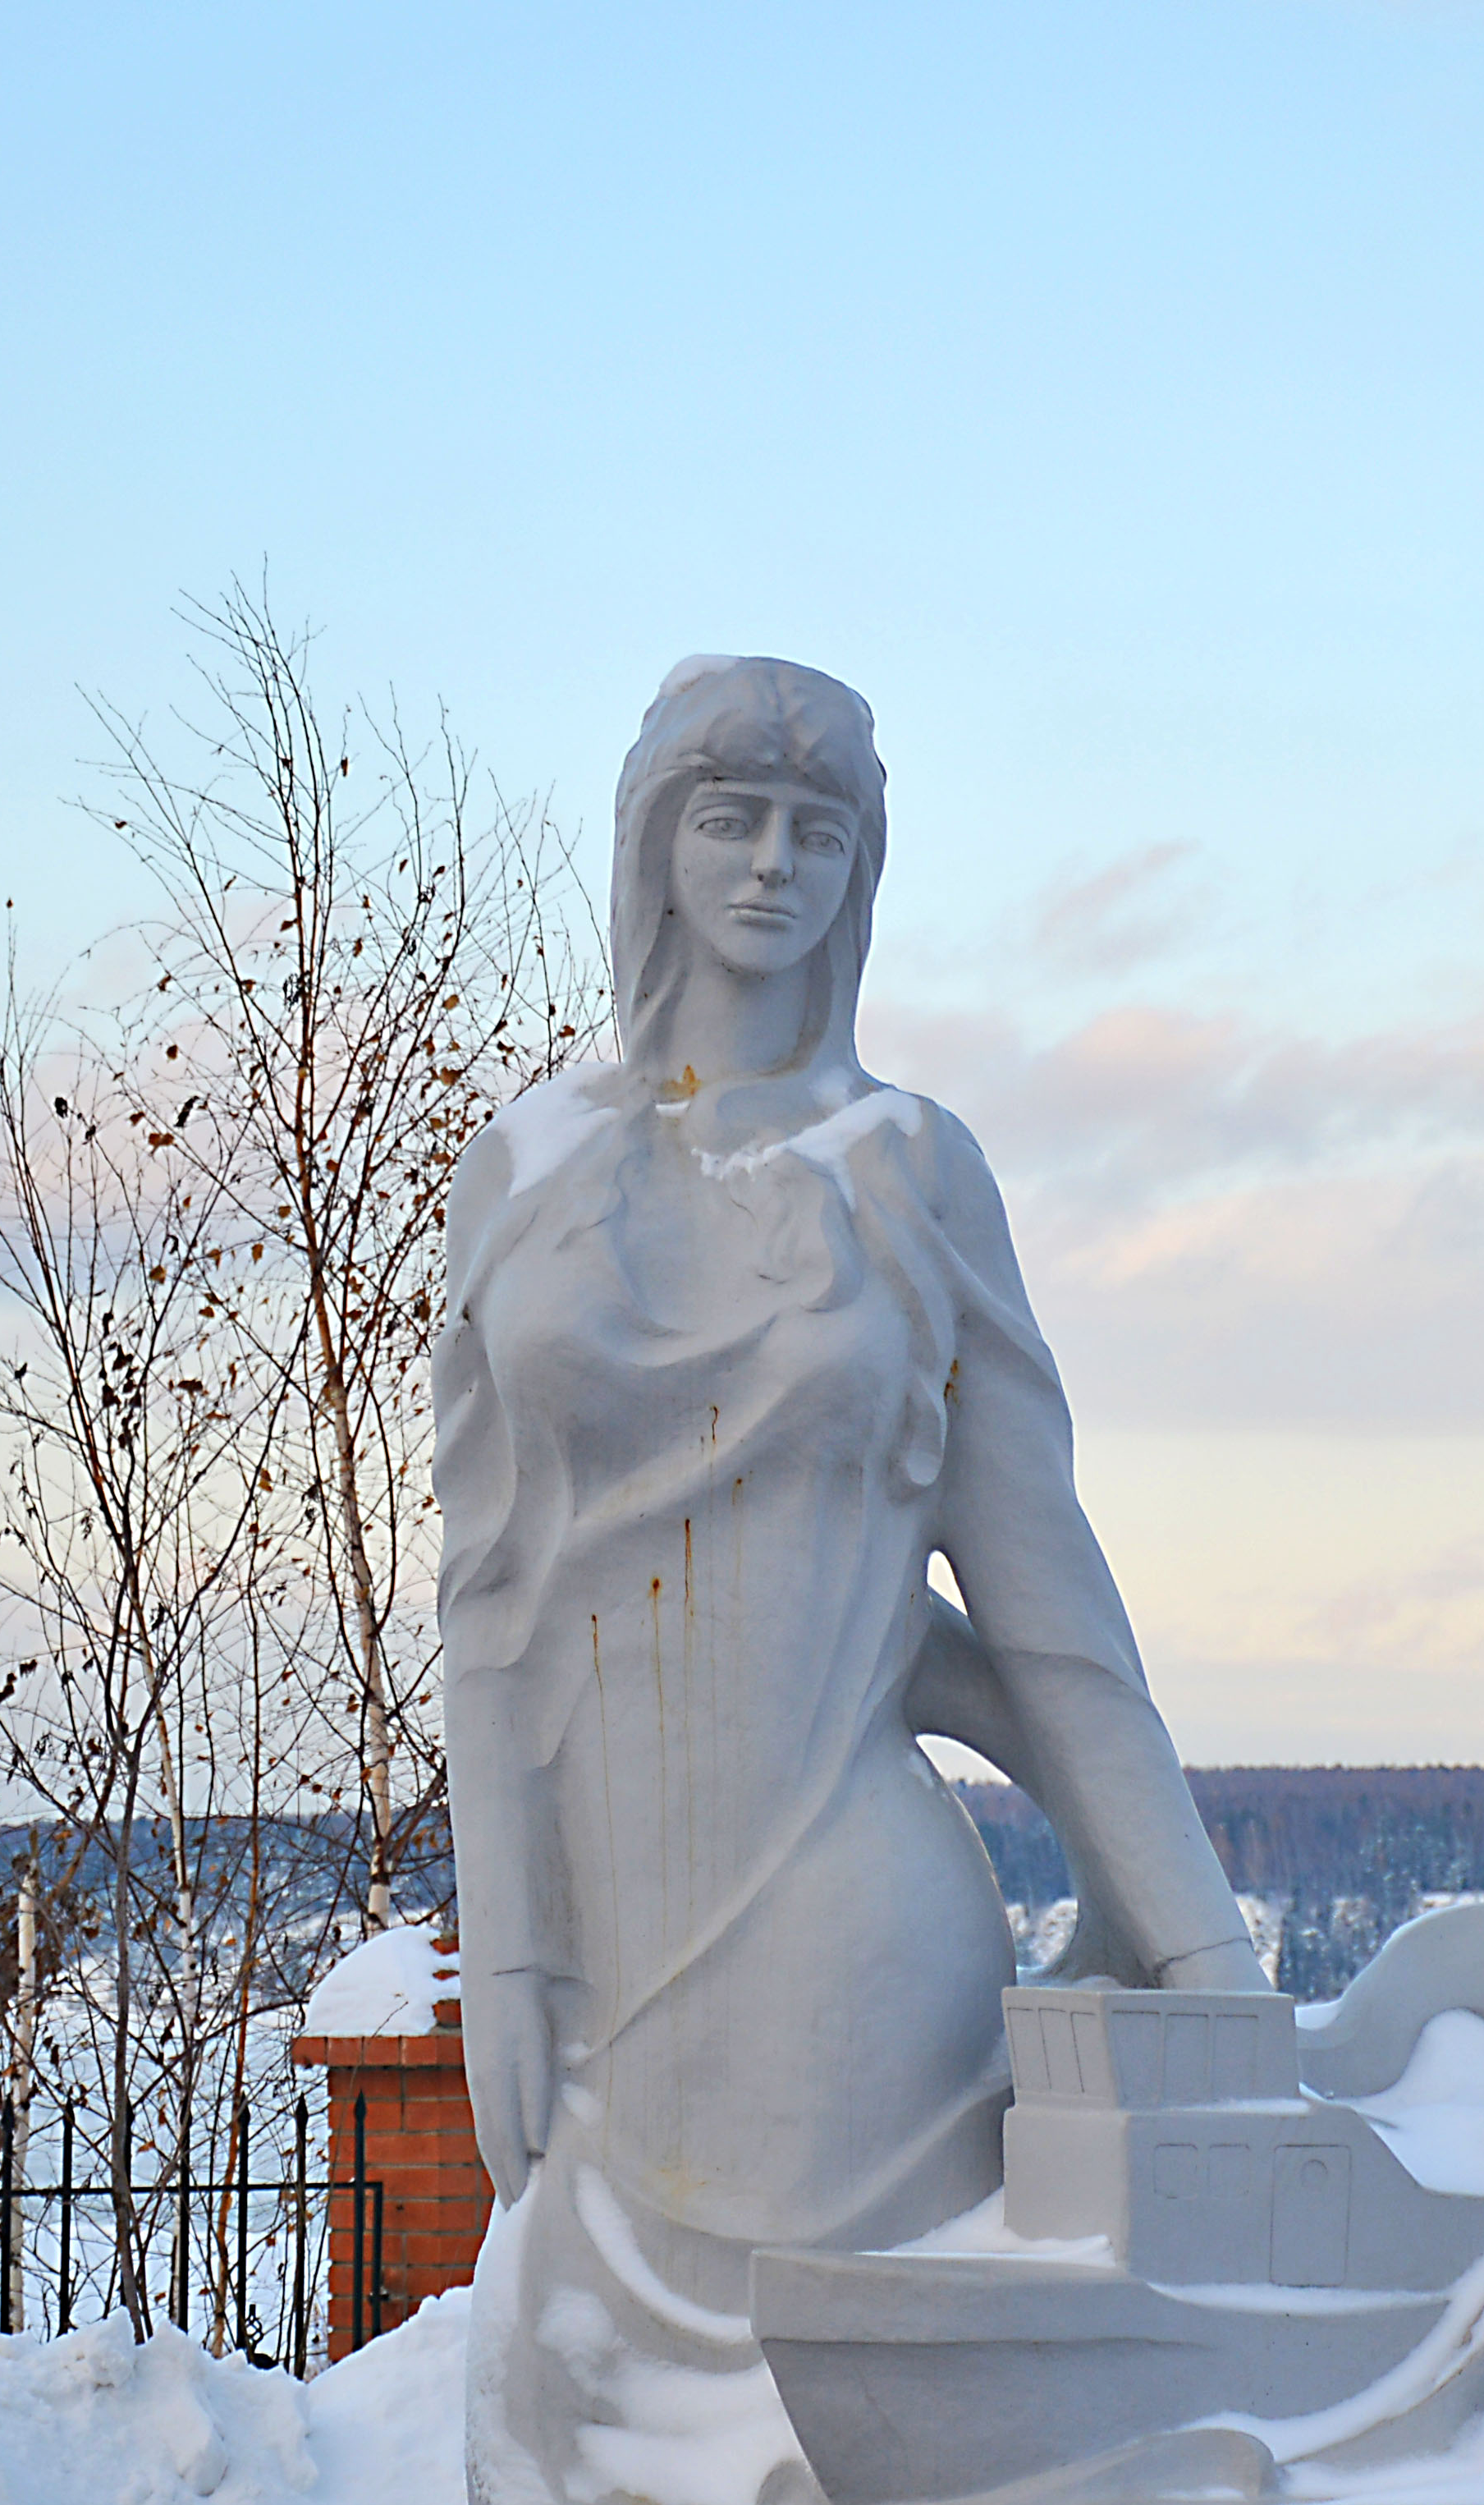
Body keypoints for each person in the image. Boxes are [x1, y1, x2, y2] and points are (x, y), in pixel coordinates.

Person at [434, 654, 1261, 2313]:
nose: (771, 864)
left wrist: (1200, 1944)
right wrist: (508, 1945)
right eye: (732, 818)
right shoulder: (522, 1168)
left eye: (820, 831)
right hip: (600, 1955)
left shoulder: (911, 1169)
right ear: (656, 843)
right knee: (611, 2455)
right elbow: (489, 1603)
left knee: (856, 2447)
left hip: (851, 1930)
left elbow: (1044, 1608)